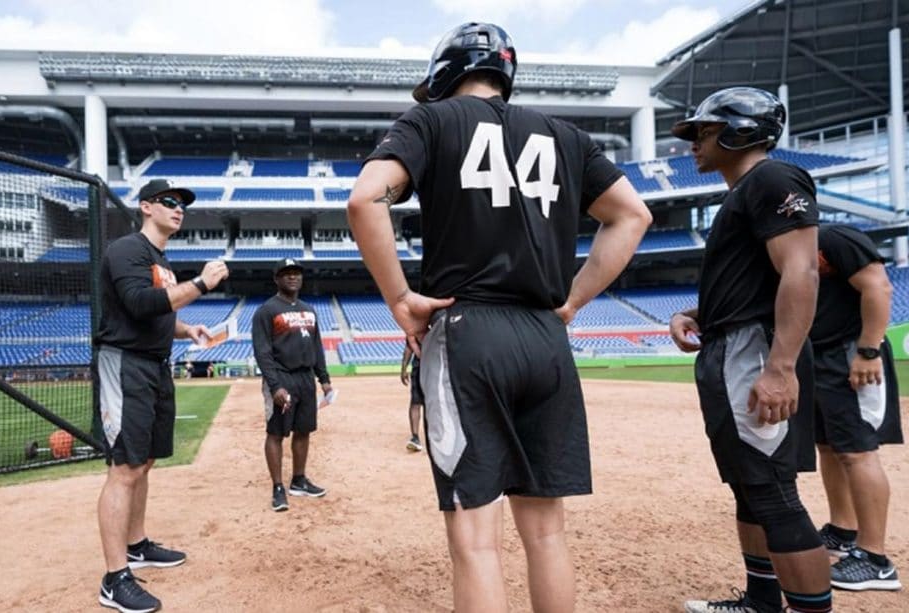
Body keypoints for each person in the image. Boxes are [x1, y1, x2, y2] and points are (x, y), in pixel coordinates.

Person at [348, 22, 651, 612]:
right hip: (545, 336)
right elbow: (631, 215)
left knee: (477, 543)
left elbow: (365, 199)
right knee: (546, 533)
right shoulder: (566, 135)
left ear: (444, 75)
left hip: (468, 333)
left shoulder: (431, 121)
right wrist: (572, 301)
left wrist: (400, 299)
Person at [668, 88, 832, 613]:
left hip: (753, 353)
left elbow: (801, 270)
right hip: (732, 345)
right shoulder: (745, 191)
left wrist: (781, 367)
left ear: (739, 130)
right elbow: (756, 279)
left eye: (704, 131)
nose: (694, 142)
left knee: (771, 491)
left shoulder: (773, 178)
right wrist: (696, 313)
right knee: (748, 484)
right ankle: (762, 601)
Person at [94, 178, 230, 613]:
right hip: (126, 362)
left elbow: (159, 310)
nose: (179, 209)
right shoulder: (127, 250)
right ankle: (114, 579)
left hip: (154, 363)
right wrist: (202, 285)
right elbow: (138, 303)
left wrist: (188, 328)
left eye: (182, 205)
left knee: (145, 460)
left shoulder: (160, 259)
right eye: (170, 202)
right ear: (146, 207)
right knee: (125, 468)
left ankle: (136, 545)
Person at [811, 224, 903, 591]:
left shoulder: (832, 238)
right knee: (829, 448)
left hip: (851, 355)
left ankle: (875, 559)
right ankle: (843, 531)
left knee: (858, 453)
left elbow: (878, 286)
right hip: (818, 358)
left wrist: (868, 350)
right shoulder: (785, 247)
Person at [252, 258, 333, 513]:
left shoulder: (309, 310)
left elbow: (316, 347)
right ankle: (278, 487)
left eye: (296, 273)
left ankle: (299, 480)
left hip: (305, 378)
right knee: (276, 432)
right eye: (286, 273)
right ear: (276, 279)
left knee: (304, 430)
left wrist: (325, 380)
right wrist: (275, 386)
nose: (292, 277)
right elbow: (262, 352)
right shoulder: (267, 310)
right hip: (282, 378)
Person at [400, 345, 424, 452]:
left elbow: (409, 347)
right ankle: (416, 437)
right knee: (417, 402)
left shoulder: (416, 328)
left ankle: (416, 437)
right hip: (426, 366)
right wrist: (403, 368)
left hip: (426, 366)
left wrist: (404, 368)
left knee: (416, 403)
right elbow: (409, 347)